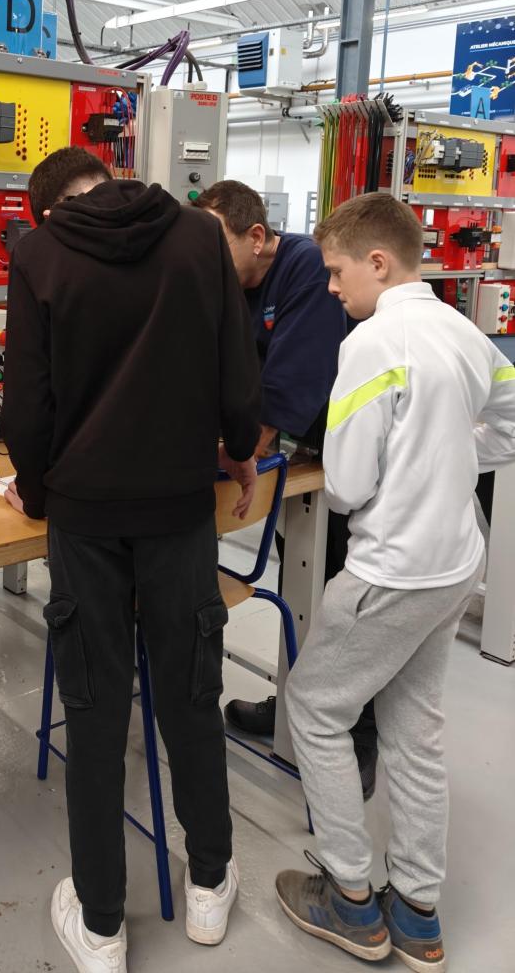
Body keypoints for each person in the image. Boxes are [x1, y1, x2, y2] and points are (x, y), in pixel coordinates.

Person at [2, 146, 261, 973]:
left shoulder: (39, 253)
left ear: (49, 208)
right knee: (191, 695)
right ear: (111, 176)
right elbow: (236, 368)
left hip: (85, 518)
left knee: (94, 710)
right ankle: (210, 883)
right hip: (179, 510)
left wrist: (36, 492)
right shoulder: (198, 236)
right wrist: (240, 446)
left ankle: (103, 926)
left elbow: (27, 404)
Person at [275, 194, 515, 968]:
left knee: (316, 708)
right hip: (454, 563)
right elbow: (510, 424)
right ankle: (416, 912)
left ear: (377, 262)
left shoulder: (372, 342)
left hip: (391, 571)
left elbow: (346, 485)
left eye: (337, 272)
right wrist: (446, 458)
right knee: (415, 727)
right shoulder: (466, 332)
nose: (330, 288)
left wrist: (410, 463)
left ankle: (349, 897)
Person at [193, 182, 380, 794]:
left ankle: (357, 733)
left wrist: (243, 449)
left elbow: (290, 381)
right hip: (302, 455)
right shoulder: (223, 284)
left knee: (342, 592)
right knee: (304, 576)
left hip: (346, 455)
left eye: (215, 243)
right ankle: (297, 702)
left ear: (257, 236)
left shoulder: (304, 267)